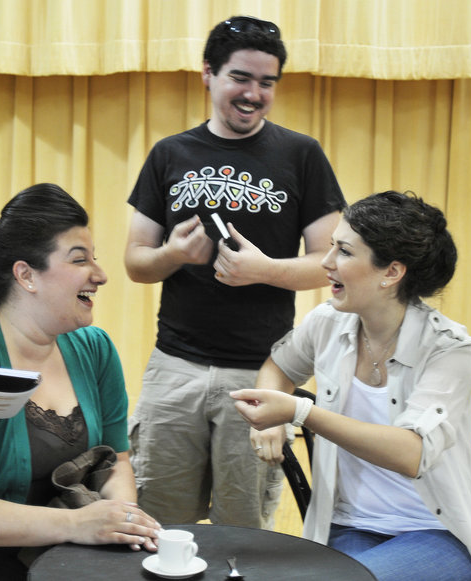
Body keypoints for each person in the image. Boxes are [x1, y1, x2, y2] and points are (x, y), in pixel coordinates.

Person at [124, 15, 346, 528]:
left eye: (267, 83)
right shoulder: (170, 153)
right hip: (173, 367)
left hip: (262, 370)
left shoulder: (302, 154)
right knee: (158, 523)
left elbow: (329, 265)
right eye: (240, 78)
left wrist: (264, 270)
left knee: (242, 530)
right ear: (208, 73)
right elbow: (136, 260)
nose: (253, 94)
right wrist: (173, 256)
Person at [0, 183, 161, 581]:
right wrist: (80, 526)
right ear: (26, 275)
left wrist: (117, 520)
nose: (101, 275)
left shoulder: (95, 347)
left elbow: (116, 462)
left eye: (96, 259)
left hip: (58, 544)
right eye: (79, 260)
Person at [231, 191, 471, 580]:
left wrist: (300, 412)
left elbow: (412, 452)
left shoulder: (448, 349)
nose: (325, 263)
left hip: (436, 530)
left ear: (391, 273)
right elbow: (278, 366)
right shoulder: (328, 322)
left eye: (343, 251)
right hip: (347, 525)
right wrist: (272, 421)